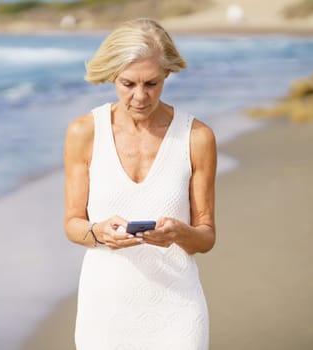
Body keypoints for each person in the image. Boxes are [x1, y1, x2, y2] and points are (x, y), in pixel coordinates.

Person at [63, 18, 217, 349]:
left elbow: (205, 238)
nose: (140, 97)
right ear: (110, 76)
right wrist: (98, 232)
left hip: (178, 308)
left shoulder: (197, 137)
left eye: (152, 83)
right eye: (127, 84)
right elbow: (73, 224)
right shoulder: (84, 133)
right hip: (104, 310)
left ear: (167, 75)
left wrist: (181, 233)